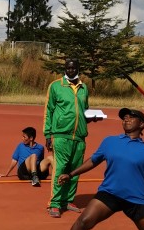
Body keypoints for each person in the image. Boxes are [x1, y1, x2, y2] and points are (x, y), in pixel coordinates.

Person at [43, 57, 102, 218]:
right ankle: (55, 203)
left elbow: (84, 110)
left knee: (75, 169)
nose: (70, 70)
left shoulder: (83, 88)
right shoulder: (56, 86)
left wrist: (92, 117)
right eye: (68, 68)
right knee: (60, 168)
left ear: (78, 69)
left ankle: (68, 200)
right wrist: (48, 134)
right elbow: (49, 111)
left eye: (73, 68)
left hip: (80, 136)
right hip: (61, 134)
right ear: (65, 69)